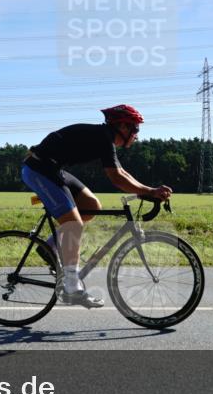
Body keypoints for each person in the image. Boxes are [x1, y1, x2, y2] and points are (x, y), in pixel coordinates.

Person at [20, 105, 172, 308]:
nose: (137, 134)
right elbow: (117, 179)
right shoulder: (104, 138)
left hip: (51, 168)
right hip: (37, 169)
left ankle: (50, 246)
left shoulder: (105, 137)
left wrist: (148, 191)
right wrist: (150, 191)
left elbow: (121, 172)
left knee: (92, 205)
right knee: (73, 224)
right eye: (135, 129)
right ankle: (72, 287)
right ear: (123, 127)